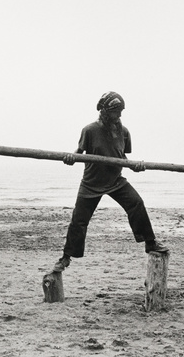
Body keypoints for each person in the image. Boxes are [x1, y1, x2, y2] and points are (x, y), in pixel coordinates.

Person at [52, 91, 167, 274]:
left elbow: (122, 156)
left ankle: (150, 243)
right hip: (91, 183)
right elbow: (79, 152)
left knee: (136, 203)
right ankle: (66, 257)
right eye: (116, 111)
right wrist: (70, 158)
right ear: (105, 111)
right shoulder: (89, 130)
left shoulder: (124, 132)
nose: (119, 115)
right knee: (79, 221)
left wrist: (134, 165)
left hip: (115, 181)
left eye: (121, 111)